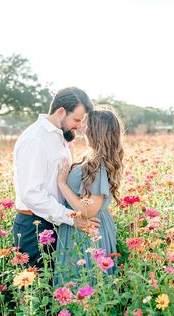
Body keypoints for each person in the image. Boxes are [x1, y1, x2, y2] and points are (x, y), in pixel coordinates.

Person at [12, 87, 101, 268]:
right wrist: (71, 217)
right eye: (76, 119)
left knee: (56, 286)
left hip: (55, 221)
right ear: (61, 111)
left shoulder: (61, 137)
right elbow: (31, 194)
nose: (78, 125)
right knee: (34, 289)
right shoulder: (35, 140)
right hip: (34, 226)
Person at [54, 107, 124, 286]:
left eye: (86, 123)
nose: (81, 126)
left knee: (85, 285)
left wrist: (62, 184)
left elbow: (88, 210)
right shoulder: (92, 158)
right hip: (86, 227)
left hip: (86, 229)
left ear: (95, 129)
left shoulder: (96, 164)